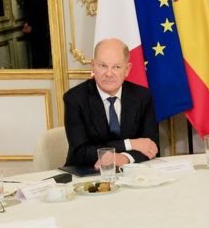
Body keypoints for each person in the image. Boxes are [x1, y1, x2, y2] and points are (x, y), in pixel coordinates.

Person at [62, 37, 160, 168]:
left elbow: (151, 146)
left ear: (127, 69)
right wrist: (129, 144)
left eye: (116, 67)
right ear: (93, 66)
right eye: (103, 66)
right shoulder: (75, 99)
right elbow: (81, 153)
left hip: (132, 173)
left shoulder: (142, 96)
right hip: (87, 174)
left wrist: (124, 158)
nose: (109, 73)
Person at [18, 0, 51, 67]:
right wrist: (30, 23)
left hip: (36, 26)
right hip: (40, 28)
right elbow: (37, 7)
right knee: (42, 59)